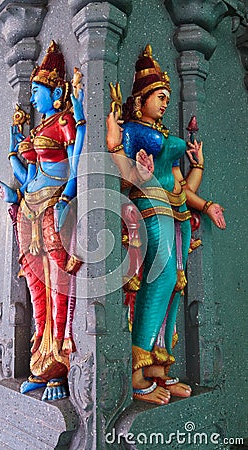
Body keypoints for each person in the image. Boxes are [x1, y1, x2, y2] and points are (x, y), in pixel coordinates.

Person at [106, 44, 225, 405]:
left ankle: (159, 368)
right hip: (149, 207)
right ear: (140, 100)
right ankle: (136, 368)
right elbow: (123, 173)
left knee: (175, 288)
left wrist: (206, 200)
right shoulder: (133, 131)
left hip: (176, 212)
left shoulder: (167, 139)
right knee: (160, 281)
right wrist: (137, 173)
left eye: (167, 97)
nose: (164, 103)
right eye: (159, 96)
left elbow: (180, 183)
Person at [0, 41, 86, 401]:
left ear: (56, 91)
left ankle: (61, 367)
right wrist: (13, 147)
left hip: (53, 205)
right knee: (37, 289)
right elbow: (25, 170)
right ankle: (40, 363)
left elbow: (77, 152)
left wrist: (68, 194)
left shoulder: (65, 120)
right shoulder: (39, 128)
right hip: (29, 209)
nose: (33, 99)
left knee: (59, 285)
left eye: (37, 91)